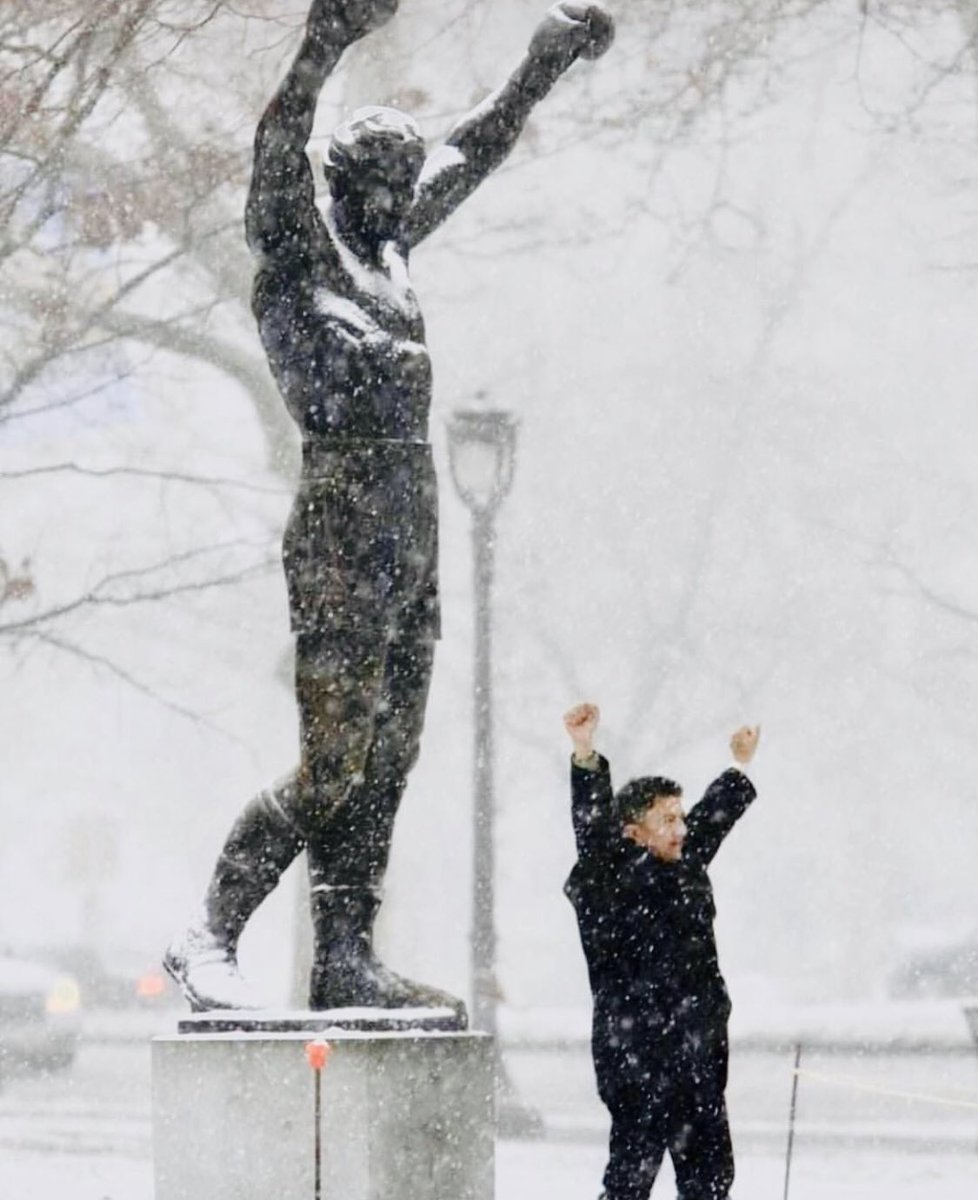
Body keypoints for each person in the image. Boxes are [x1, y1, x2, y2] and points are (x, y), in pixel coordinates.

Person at [163, 0, 614, 1015]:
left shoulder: (392, 254)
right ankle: (208, 935)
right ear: (340, 184)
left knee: (392, 752)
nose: (395, 202)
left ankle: (344, 955)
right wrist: (327, 37)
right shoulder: (299, 250)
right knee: (334, 761)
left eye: (402, 189)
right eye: (377, 186)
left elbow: (474, 148)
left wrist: (544, 60)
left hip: (411, 516)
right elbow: (277, 142)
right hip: (340, 514)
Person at [562, 702, 761, 1200]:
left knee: (711, 1181)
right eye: (667, 819)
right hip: (637, 1059)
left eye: (680, 817)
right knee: (630, 1182)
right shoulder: (608, 881)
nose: (681, 828)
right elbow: (592, 833)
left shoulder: (684, 864)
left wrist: (739, 764)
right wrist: (584, 753)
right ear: (633, 833)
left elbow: (712, 820)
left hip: (697, 1052)